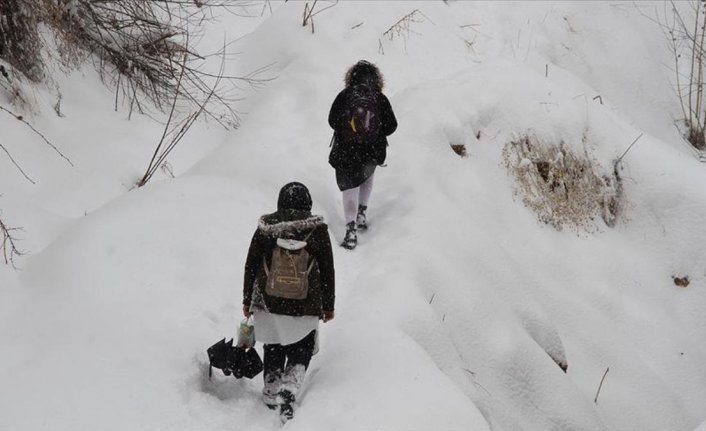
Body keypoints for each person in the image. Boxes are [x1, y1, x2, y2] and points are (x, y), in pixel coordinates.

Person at [242, 182, 335, 421]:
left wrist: (246, 300)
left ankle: (272, 387)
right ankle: (289, 388)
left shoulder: (267, 228)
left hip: (268, 301)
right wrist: (328, 305)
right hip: (305, 303)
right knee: (301, 346)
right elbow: (327, 269)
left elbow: (251, 264)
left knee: (273, 343)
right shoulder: (318, 230)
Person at [328, 60, 398, 250]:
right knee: (367, 175)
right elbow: (392, 126)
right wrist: (374, 132)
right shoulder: (379, 98)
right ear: (376, 79)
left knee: (349, 187)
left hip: (345, 152)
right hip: (371, 151)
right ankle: (362, 213)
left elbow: (332, 120)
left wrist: (349, 131)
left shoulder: (345, 95)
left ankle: (350, 229)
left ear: (351, 78)